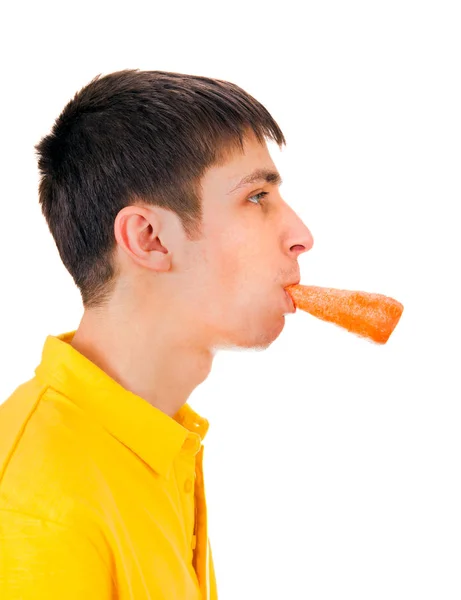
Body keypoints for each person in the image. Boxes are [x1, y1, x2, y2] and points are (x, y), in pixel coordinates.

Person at [0, 69, 313, 599]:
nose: (302, 236)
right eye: (257, 197)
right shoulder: (38, 508)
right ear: (149, 238)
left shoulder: (159, 442)